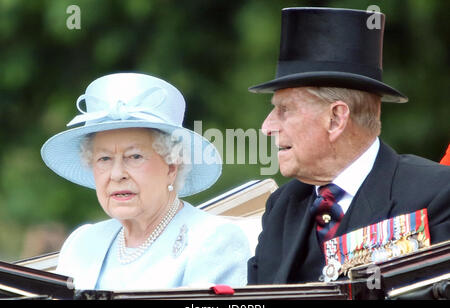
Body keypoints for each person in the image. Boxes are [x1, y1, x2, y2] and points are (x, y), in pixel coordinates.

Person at [247, 7, 450, 284]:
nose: (267, 127)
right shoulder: (281, 206)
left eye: (284, 110)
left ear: (336, 119)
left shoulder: (436, 195)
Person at [41, 72, 251, 290]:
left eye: (134, 157)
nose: (116, 174)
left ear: (171, 166)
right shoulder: (82, 243)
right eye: (104, 158)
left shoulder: (214, 240)